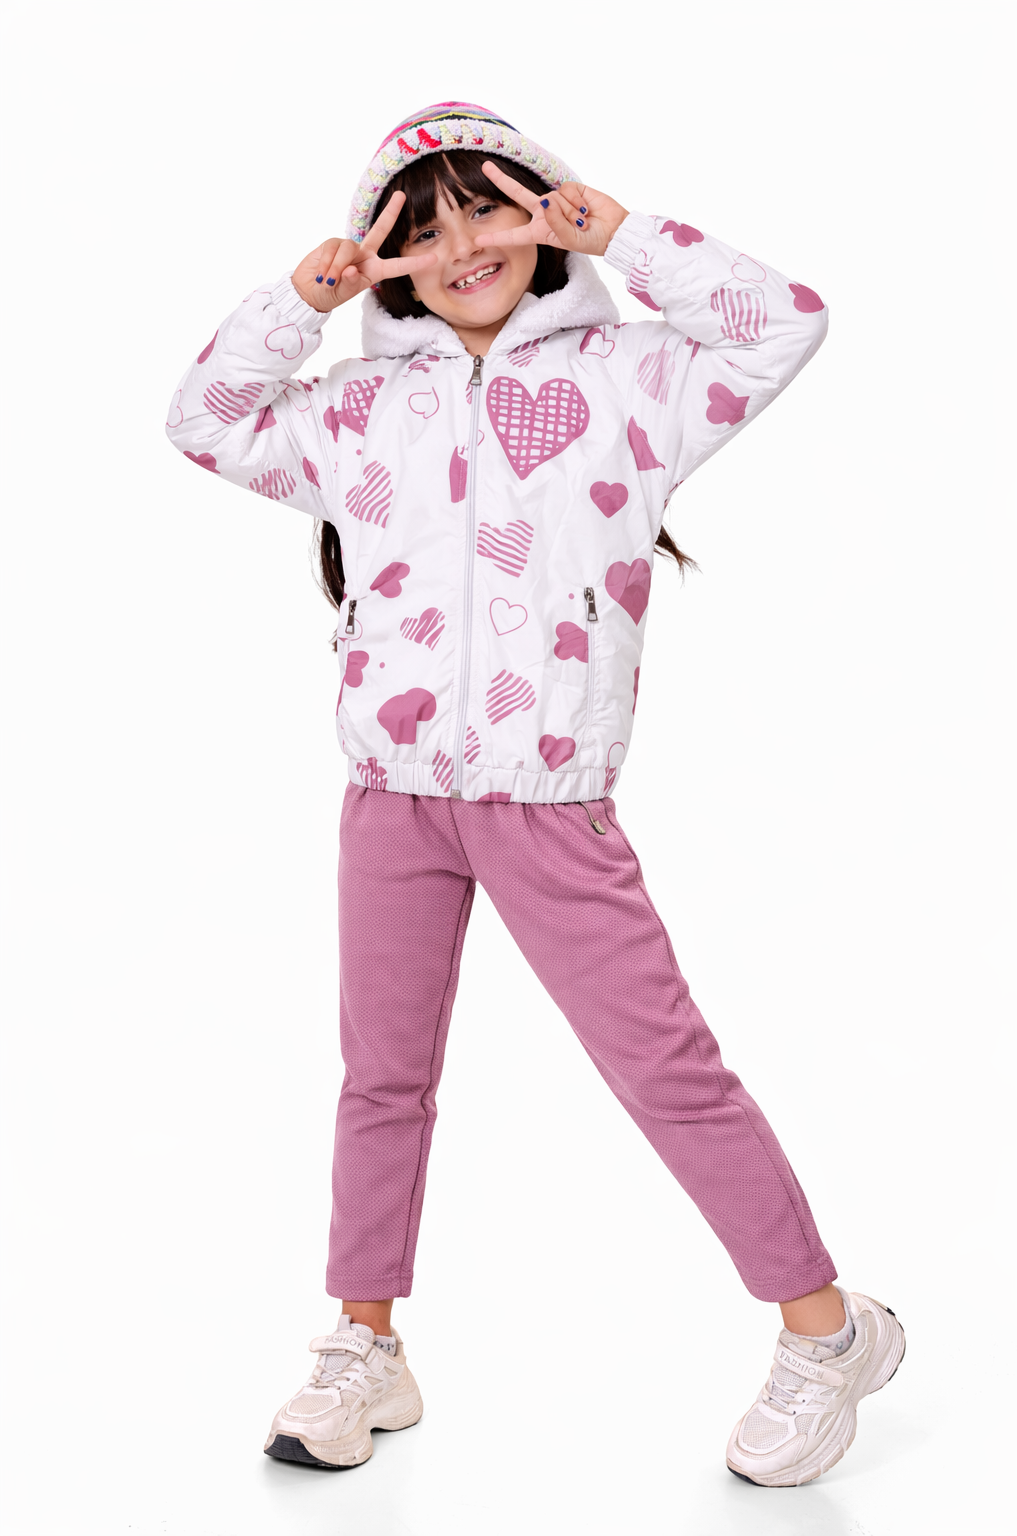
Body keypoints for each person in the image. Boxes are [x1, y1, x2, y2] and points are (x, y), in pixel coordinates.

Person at [166, 101, 904, 1486]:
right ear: (386, 253)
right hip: (390, 794)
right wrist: (299, 301)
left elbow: (785, 323)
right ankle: (366, 1342)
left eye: (492, 209)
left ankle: (828, 1332)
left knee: (663, 1070)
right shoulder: (355, 407)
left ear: (544, 213)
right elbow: (200, 420)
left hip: (546, 797)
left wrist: (625, 232)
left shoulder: (634, 381)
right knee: (382, 1081)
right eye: (424, 226)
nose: (465, 246)